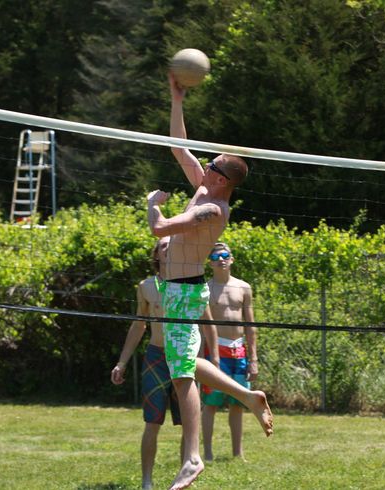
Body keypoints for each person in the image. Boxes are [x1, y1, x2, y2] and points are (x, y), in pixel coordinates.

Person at [145, 73, 272, 490]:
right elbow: (178, 147)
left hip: (182, 290)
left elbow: (161, 229)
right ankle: (248, 396)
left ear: (221, 180)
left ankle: (193, 458)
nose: (206, 164)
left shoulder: (213, 209)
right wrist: (176, 101)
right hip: (175, 287)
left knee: (183, 377)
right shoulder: (204, 188)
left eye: (212, 165)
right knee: (183, 363)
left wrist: (152, 207)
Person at [111, 236, 184, 490]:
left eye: (173, 245)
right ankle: (146, 482)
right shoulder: (146, 286)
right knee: (152, 422)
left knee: (188, 421)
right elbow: (138, 325)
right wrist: (122, 362)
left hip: (183, 356)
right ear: (157, 255)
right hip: (156, 356)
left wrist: (213, 359)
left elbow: (205, 323)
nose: (168, 248)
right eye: (163, 245)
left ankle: (184, 480)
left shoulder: (189, 284)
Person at [201, 242, 258, 461]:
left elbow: (251, 325)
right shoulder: (205, 288)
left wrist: (253, 358)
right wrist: (199, 357)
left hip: (239, 352)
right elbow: (200, 325)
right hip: (214, 351)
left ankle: (237, 453)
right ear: (210, 262)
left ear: (232, 259)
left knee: (238, 403)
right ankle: (207, 453)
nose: (221, 259)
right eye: (215, 257)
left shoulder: (243, 287)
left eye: (225, 255)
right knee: (211, 403)